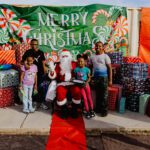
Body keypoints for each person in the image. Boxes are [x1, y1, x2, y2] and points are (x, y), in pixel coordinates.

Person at [49, 49, 82, 119]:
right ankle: (64, 109)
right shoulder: (58, 65)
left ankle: (74, 109)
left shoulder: (74, 64)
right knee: (60, 91)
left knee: (77, 90)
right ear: (61, 57)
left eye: (66, 56)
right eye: (63, 56)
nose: (65, 58)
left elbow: (80, 71)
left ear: (70, 56)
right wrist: (52, 70)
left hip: (73, 83)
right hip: (62, 83)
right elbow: (54, 75)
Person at [22, 39, 48, 109]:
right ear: (30, 44)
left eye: (36, 44)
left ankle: (42, 103)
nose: (34, 46)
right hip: (31, 74)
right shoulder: (28, 52)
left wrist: (44, 67)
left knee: (42, 88)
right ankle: (35, 102)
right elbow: (23, 60)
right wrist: (25, 64)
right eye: (33, 44)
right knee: (34, 88)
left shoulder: (41, 52)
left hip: (40, 72)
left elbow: (43, 61)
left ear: (38, 44)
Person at [89, 41, 112, 117]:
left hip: (104, 78)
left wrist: (110, 80)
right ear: (94, 47)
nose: (98, 47)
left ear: (102, 47)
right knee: (98, 94)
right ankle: (98, 109)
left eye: (100, 46)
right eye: (96, 46)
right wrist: (90, 78)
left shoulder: (105, 56)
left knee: (104, 95)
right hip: (96, 77)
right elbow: (90, 67)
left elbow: (110, 68)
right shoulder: (92, 56)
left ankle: (104, 110)